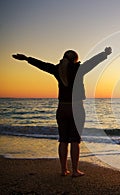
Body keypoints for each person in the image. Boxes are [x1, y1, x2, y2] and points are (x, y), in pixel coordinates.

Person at [12, 47, 112, 177]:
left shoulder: (57, 69)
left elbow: (42, 65)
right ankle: (75, 171)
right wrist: (104, 54)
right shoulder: (78, 69)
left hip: (62, 108)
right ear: (75, 60)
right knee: (75, 140)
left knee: (63, 140)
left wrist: (26, 59)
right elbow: (92, 62)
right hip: (76, 108)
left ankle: (63, 170)